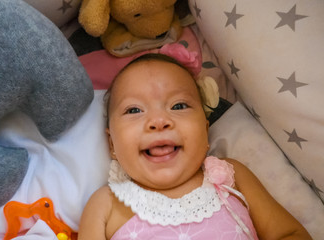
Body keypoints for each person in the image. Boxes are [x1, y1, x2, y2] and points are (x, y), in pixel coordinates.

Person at [78, 44, 312, 240]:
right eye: (134, 110)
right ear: (112, 145)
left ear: (205, 131)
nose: (159, 121)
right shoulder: (105, 205)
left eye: (178, 106)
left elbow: (291, 233)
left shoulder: (230, 176)